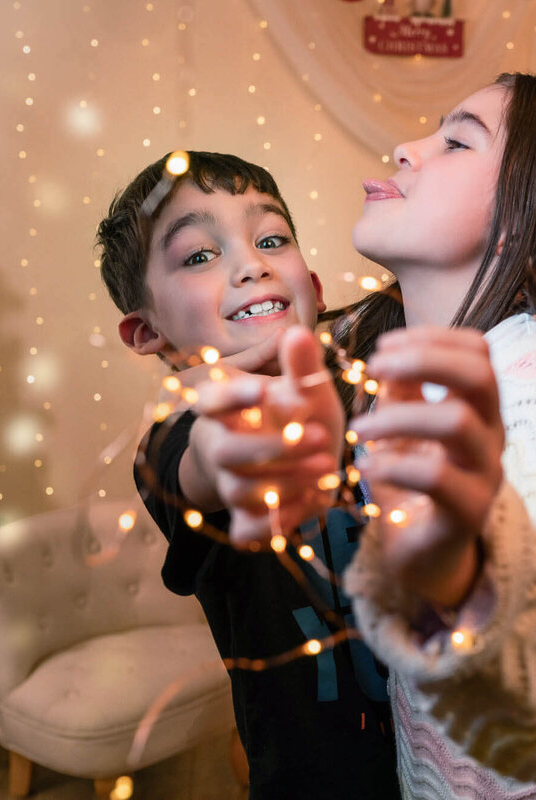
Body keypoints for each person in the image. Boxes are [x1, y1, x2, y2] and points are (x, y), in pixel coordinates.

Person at [200, 73, 536, 798]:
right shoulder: (386, 344)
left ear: (534, 226)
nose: (405, 150)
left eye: (457, 140)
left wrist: (490, 571)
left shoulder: (530, 368)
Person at [96, 151, 400, 799]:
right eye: (199, 256)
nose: (251, 264)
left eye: (271, 239)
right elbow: (198, 464)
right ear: (147, 332)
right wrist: (223, 443)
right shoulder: (169, 445)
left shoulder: (374, 375)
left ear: (314, 291)